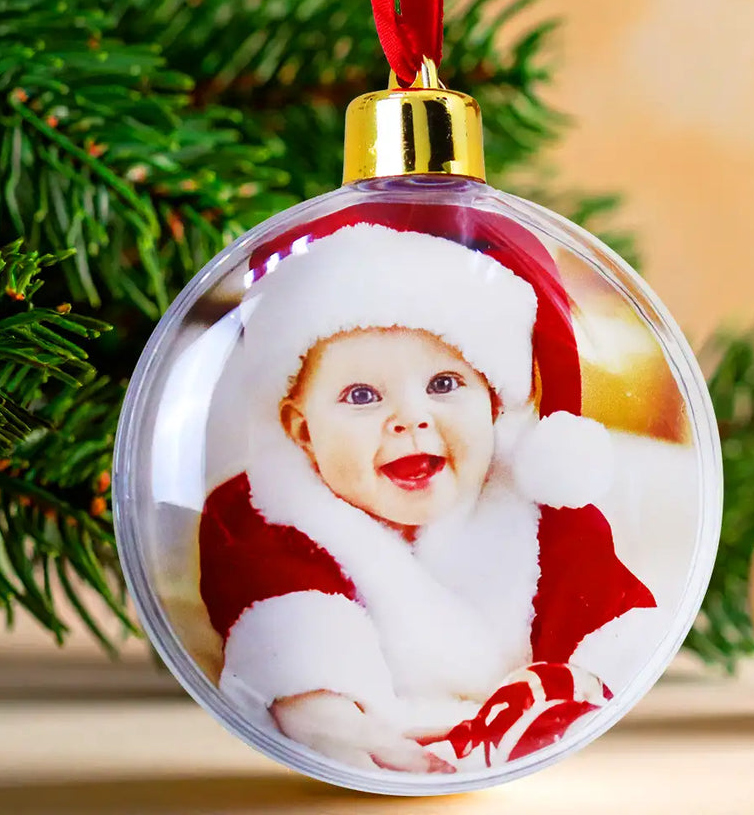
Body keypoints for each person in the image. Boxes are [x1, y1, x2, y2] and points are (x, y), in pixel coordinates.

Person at [198, 203, 686, 773]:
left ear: (494, 403)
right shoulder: (269, 516)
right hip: (365, 760)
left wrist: (579, 688)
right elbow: (285, 630)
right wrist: (320, 707)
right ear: (302, 430)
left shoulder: (541, 513)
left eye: (444, 383)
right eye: (362, 396)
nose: (411, 418)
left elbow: (608, 632)